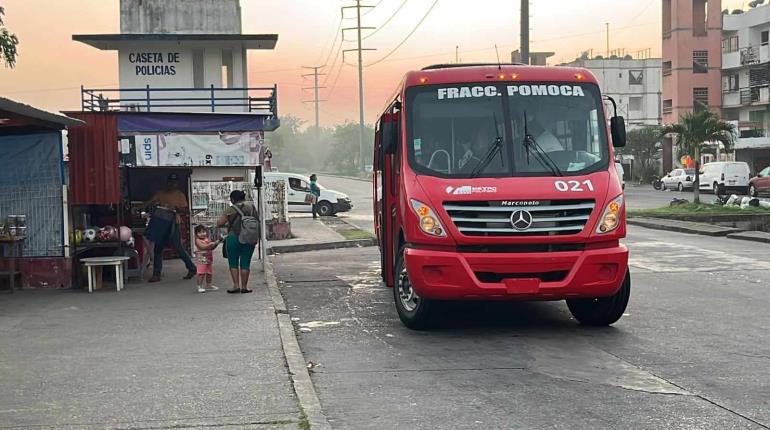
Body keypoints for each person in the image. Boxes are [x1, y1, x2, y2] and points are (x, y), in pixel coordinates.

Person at [144, 173, 197, 282]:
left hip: (174, 224)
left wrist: (176, 208)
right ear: (167, 182)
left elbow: (187, 210)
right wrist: (137, 207)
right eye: (170, 182)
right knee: (158, 249)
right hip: (161, 223)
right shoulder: (161, 193)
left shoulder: (180, 195)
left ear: (177, 184)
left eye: (174, 182)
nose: (172, 184)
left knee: (178, 247)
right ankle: (156, 274)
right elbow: (150, 202)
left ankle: (191, 268)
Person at [217, 190, 258, 294]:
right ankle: (244, 287)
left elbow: (220, 223)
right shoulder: (251, 207)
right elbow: (257, 220)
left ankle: (236, 286)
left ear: (232, 199)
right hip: (249, 237)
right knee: (245, 262)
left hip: (233, 238)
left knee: (233, 262)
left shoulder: (230, 209)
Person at [193, 225, 222, 293]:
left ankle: (209, 285)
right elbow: (203, 247)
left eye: (203, 232)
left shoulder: (207, 239)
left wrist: (216, 243)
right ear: (196, 234)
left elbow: (212, 248)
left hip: (209, 259)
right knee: (201, 273)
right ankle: (199, 286)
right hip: (201, 259)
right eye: (199, 232)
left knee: (209, 272)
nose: (202, 234)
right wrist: (211, 244)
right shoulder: (197, 241)